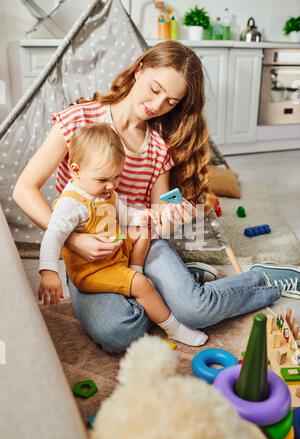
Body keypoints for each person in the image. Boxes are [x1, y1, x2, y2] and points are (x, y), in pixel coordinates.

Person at [13, 40, 296, 354]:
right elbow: (24, 189)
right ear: (139, 70)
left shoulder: (158, 148)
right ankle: (179, 286)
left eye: (171, 101)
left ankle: (261, 281)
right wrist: (73, 240)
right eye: (155, 88)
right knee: (116, 332)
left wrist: (178, 213)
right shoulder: (78, 121)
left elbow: (159, 213)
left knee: (195, 312)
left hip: (140, 243)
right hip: (90, 254)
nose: (157, 104)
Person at [38, 123, 208, 347]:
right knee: (142, 285)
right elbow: (53, 236)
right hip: (94, 269)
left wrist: (143, 216)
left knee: (143, 231)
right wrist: (48, 271)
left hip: (116, 250)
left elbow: (124, 212)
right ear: (76, 170)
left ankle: (134, 269)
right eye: (102, 180)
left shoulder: (106, 191)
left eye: (116, 177)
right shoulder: (71, 204)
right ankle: (174, 328)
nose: (111, 186)